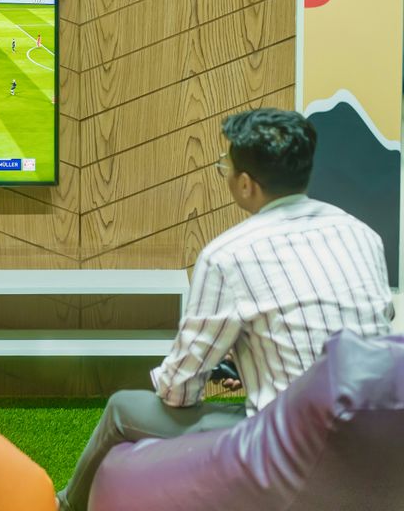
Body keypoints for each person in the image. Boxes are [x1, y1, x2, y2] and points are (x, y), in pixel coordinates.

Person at [56, 108, 394, 511]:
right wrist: (253, 365)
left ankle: (63, 506)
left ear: (246, 184)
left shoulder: (228, 255)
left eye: (225, 167)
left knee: (121, 409)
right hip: (377, 436)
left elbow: (178, 391)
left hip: (287, 448)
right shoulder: (363, 235)